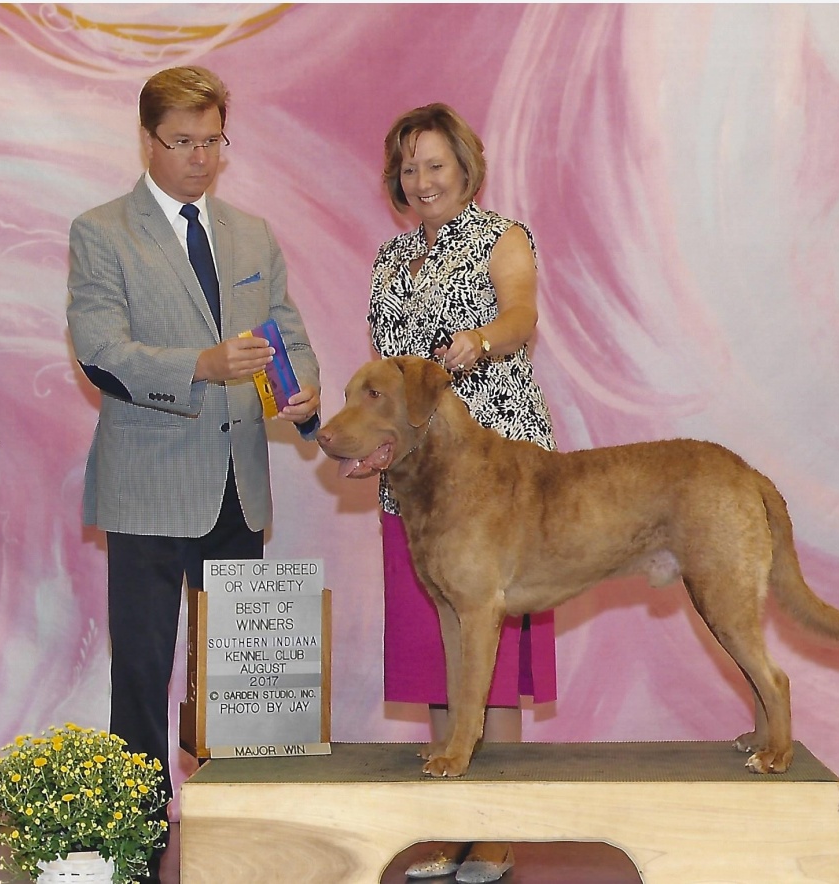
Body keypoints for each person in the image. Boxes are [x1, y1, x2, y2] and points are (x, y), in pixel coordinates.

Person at [66, 65, 321, 878]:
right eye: (182, 142)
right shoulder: (101, 232)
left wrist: (306, 398)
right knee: (143, 673)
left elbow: (286, 333)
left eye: (212, 141)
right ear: (147, 140)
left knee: (242, 676)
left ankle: (242, 836)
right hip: (146, 484)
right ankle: (137, 844)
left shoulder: (252, 233)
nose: (200, 158)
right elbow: (99, 351)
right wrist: (200, 366)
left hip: (238, 484)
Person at [368, 103, 557, 884]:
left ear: (465, 167)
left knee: (490, 655)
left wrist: (481, 339)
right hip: (414, 484)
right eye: (408, 167)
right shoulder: (389, 258)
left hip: (493, 478)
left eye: (435, 165)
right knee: (434, 659)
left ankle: (497, 833)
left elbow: (520, 315)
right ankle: (453, 827)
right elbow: (385, 376)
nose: (421, 180)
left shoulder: (500, 237)